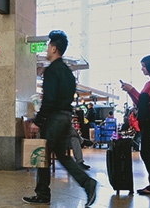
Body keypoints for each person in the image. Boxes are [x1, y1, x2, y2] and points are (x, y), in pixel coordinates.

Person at [23, 30, 97, 206]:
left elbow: (48, 100)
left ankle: (45, 193)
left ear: (54, 48)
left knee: (43, 155)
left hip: (54, 120)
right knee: (62, 156)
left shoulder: (51, 72)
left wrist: (38, 121)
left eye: (48, 46)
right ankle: (84, 184)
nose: (47, 49)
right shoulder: (68, 73)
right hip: (65, 118)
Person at [121, 54, 150, 195]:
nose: (142, 69)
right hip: (148, 119)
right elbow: (140, 101)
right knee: (149, 152)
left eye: (144, 66)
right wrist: (130, 91)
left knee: (146, 152)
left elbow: (144, 100)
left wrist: (132, 89)